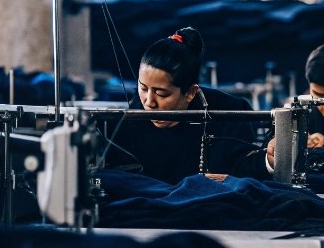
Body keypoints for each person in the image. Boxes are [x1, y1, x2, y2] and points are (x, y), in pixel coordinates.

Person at [104, 27, 270, 185]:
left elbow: (245, 170)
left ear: (191, 92)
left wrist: (270, 160)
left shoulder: (230, 114)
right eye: (143, 88)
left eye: (161, 94)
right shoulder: (132, 118)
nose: (149, 102)